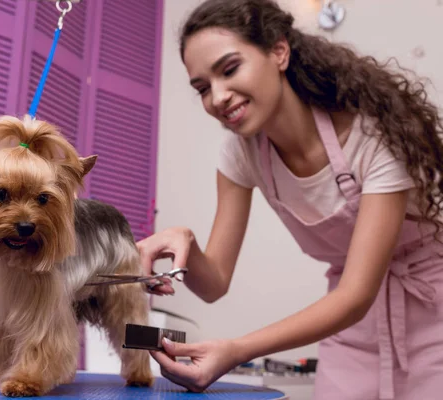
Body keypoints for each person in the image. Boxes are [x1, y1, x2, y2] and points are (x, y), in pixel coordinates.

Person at [135, 0, 443, 399]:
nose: (219, 96)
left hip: (431, 311)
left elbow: (356, 294)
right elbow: (214, 286)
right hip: (350, 329)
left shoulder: (373, 139)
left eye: (230, 70)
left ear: (279, 52)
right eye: (203, 88)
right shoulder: (241, 155)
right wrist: (187, 245)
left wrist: (236, 351)